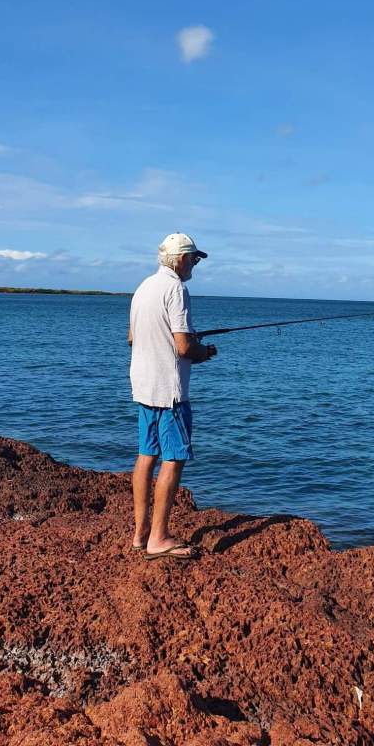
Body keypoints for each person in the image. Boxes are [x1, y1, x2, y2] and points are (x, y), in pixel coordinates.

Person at [128, 232, 217, 560]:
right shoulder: (177, 289)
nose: (195, 264)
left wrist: (184, 339)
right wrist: (204, 351)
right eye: (194, 258)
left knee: (146, 455)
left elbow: (132, 338)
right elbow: (183, 348)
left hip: (144, 386)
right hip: (169, 391)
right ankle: (159, 538)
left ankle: (140, 534)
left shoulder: (144, 287)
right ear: (181, 259)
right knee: (173, 459)